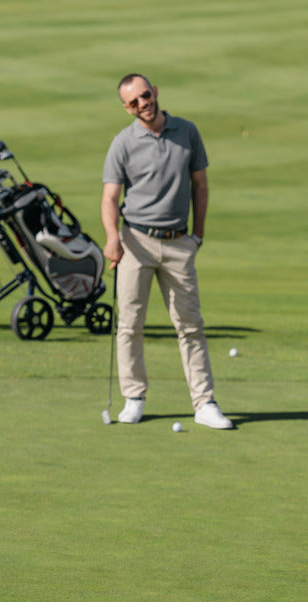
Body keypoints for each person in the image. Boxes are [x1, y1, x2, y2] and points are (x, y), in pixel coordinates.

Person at [100, 73, 233, 429]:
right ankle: (134, 397)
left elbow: (200, 185)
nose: (143, 103)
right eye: (133, 101)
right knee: (129, 324)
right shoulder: (123, 143)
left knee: (190, 325)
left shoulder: (186, 132)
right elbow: (110, 198)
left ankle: (204, 403)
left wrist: (198, 235)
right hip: (135, 243)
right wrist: (112, 238)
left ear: (155, 93)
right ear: (126, 108)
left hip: (179, 242)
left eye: (145, 95)